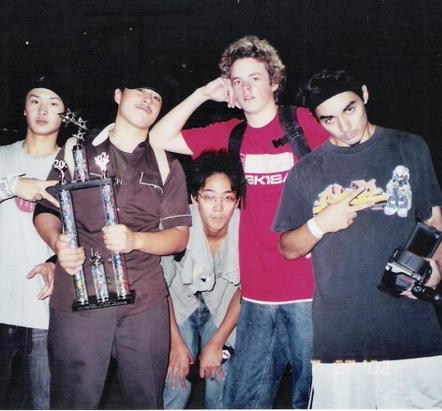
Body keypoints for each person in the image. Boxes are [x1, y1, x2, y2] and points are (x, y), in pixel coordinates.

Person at [149, 35, 328, 408]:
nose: (246, 88)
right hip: (255, 294)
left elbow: (351, 152)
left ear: (274, 81)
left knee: (311, 398)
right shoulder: (230, 134)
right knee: (243, 400)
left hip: (309, 289)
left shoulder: (301, 123)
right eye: (237, 80)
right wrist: (203, 93)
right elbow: (159, 137)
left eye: (255, 78)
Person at [272, 69, 442, 408]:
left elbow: (435, 219)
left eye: (350, 109)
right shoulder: (306, 171)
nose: (344, 126)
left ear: (365, 96)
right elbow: (287, 247)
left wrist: (437, 267)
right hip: (341, 340)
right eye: (329, 119)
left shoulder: (409, 147)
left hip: (412, 331)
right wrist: (319, 225)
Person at [33, 78, 191, 409]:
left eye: (156, 96)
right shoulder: (77, 150)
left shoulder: (168, 163)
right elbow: (46, 210)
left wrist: (136, 239)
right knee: (74, 399)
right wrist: (57, 243)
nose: (148, 99)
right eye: (140, 90)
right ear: (118, 95)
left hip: (144, 299)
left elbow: (178, 237)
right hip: (80, 293)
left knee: (146, 398)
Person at [0, 75, 64, 409]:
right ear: (24, 109)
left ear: (65, 114)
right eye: (35, 101)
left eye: (53, 103)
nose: (42, 109)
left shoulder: (74, 165)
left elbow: (86, 230)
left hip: (45, 309)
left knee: (44, 404)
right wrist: (12, 186)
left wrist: (56, 263)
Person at [162, 150, 243, 409]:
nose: (218, 208)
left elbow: (247, 291)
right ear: (194, 198)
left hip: (223, 308)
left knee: (220, 376)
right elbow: (158, 288)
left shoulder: (246, 229)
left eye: (227, 198)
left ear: (237, 201)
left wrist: (216, 344)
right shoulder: (177, 224)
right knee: (176, 378)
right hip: (178, 306)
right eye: (209, 197)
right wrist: (175, 344)